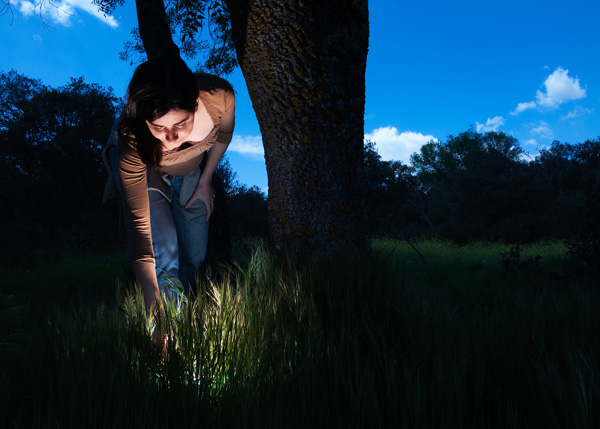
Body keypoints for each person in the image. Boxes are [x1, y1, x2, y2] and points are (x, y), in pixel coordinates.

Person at [104, 54, 235, 312]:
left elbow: (224, 134)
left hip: (190, 170)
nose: (171, 137)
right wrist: (155, 313)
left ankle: (187, 317)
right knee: (164, 248)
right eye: (157, 126)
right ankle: (167, 331)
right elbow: (141, 240)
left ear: (195, 104)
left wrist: (205, 181)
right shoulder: (132, 139)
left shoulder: (219, 97)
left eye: (180, 123)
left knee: (195, 253)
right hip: (147, 167)